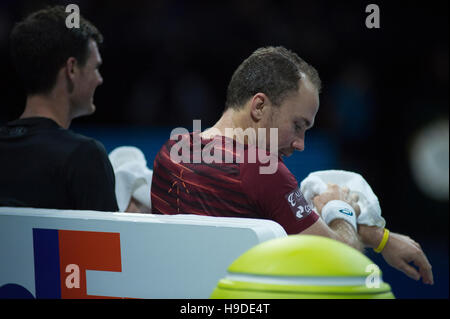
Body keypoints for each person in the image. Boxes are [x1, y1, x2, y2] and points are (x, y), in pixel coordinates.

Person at [151, 46, 433, 285]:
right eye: (297, 125)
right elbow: (343, 261)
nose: (300, 144)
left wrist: (381, 239)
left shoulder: (171, 151)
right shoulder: (262, 170)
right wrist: (338, 207)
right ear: (259, 106)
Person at [0, 6, 118, 211]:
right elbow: (107, 243)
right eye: (96, 67)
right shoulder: (84, 157)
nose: (100, 80)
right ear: (71, 69)